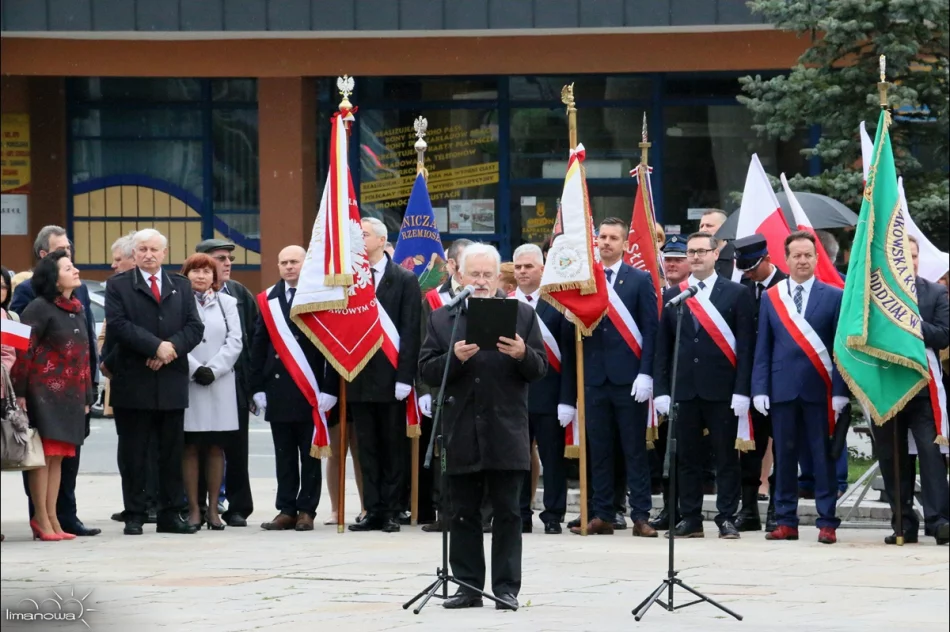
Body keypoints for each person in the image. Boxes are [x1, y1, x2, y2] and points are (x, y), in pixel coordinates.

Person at [419, 243, 547, 611]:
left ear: (497, 277)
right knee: (462, 512)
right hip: (460, 426)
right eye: (473, 274)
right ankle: (467, 586)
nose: (480, 281)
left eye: (487, 275)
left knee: (508, 512)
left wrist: (522, 354)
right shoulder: (444, 318)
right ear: (458, 274)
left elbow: (539, 370)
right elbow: (427, 370)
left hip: (506, 427)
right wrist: (453, 358)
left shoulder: (521, 314)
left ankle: (506, 588)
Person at [654, 232, 754, 539]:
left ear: (715, 254)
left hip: (722, 389)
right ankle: (691, 517)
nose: (696, 256)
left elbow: (747, 347)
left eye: (701, 251)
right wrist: (661, 390)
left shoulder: (736, 293)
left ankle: (726, 517)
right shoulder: (675, 294)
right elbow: (663, 348)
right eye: (691, 252)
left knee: (725, 457)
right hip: (684, 390)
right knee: (686, 458)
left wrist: (742, 390)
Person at [104, 228, 205, 536]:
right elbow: (119, 325)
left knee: (171, 452)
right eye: (142, 249)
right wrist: (153, 346)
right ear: (134, 254)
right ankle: (134, 513)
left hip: (171, 381)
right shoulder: (118, 285)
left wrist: (169, 349)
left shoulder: (180, 285)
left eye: (154, 249)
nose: (148, 254)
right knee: (135, 451)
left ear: (164, 253)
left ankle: (170, 513)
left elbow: (194, 326)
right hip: (133, 380)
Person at [752, 231, 849, 545]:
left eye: (808, 255)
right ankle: (785, 521)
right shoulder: (772, 297)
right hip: (781, 391)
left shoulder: (834, 295)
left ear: (817, 258)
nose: (803, 260)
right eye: (797, 255)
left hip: (820, 389)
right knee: (785, 458)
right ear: (787, 259)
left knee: (822, 458)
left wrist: (839, 392)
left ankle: (827, 521)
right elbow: (762, 347)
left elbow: (840, 350)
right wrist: (760, 388)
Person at [10, 225, 100, 538]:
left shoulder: (75, 308)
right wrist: (20, 393)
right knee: (43, 457)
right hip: (43, 395)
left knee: (59, 457)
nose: (75, 269)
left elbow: (85, 355)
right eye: (67, 267)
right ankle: (41, 519)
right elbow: (25, 353)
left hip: (71, 397)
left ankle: (55, 519)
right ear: (53, 276)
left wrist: (89, 394)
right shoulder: (39, 308)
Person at [571, 217, 658, 537]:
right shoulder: (586, 280)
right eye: (602, 237)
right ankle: (603, 513)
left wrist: (646, 373)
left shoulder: (639, 279)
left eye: (613, 238)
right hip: (594, 378)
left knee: (634, 450)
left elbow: (651, 330)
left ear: (624, 244)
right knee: (600, 449)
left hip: (630, 379)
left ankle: (641, 515)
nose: (606, 242)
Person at [250, 245, 339, 532]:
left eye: (294, 262)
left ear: (305, 264)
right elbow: (258, 346)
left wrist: (330, 387)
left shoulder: (319, 297)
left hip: (311, 390)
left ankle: (306, 510)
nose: (289, 267)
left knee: (310, 455)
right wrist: (257, 387)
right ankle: (286, 509)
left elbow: (331, 348)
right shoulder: (268, 300)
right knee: (284, 455)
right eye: (283, 262)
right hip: (278, 391)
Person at [871, 236, 949, 545]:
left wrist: (908, 321)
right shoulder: (877, 295)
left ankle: (939, 520)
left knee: (931, 456)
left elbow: (943, 336)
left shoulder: (936, 292)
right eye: (905, 256)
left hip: (923, 390)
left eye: (915, 256)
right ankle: (902, 521)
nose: (911, 261)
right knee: (893, 459)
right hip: (888, 387)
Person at [347, 218, 422, 533]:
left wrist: (406, 376)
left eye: (363, 234)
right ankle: (373, 509)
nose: (359, 239)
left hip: (392, 378)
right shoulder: (350, 278)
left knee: (393, 447)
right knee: (367, 447)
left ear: (380, 239)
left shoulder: (403, 279)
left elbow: (410, 330)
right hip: (360, 375)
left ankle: (393, 509)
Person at [511, 244, 575, 534]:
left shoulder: (558, 303)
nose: (523, 272)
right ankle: (521, 513)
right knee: (519, 460)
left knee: (552, 459)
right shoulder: (506, 301)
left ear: (542, 268)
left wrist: (567, 399)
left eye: (528, 267)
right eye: (518, 267)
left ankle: (553, 514)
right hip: (514, 395)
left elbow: (570, 355)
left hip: (550, 396)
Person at [194, 238, 258, 527]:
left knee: (235, 447)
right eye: (221, 258)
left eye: (229, 258)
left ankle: (238, 506)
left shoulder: (240, 294)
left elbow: (251, 340)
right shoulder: (187, 295)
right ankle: (198, 505)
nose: (228, 263)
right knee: (196, 446)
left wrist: (255, 386)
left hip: (234, 381)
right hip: (195, 380)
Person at [179, 254, 243, 531]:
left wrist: (214, 369)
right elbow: (175, 337)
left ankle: (214, 509)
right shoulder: (178, 301)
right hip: (189, 382)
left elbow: (235, 340)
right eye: (195, 271)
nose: (201, 276)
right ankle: (194, 509)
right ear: (186, 274)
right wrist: (195, 368)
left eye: (206, 271)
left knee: (216, 447)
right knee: (191, 447)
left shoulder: (227, 302)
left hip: (219, 382)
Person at [416, 238, 473, 532]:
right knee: (442, 451)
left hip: (476, 390)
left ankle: (480, 513)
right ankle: (444, 511)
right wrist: (423, 391)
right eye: (466, 264)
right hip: (441, 390)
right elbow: (423, 349)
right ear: (451, 265)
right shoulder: (434, 301)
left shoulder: (487, 297)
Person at [103, 234, 158, 524]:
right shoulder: (118, 289)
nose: (114, 265)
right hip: (120, 376)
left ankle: (148, 502)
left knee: (145, 448)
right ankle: (135, 503)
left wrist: (107, 361)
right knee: (130, 447)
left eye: (117, 259)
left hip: (140, 373)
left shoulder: (151, 289)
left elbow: (128, 332)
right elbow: (112, 332)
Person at [734, 234, 786, 533]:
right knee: (750, 447)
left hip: (780, 380)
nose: (749, 274)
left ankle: (778, 507)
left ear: (766, 259)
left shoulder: (785, 287)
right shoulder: (745, 288)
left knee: (782, 446)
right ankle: (749, 507)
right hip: (750, 379)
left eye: (752, 268)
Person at [699, 209, 734, 279]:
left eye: (709, 226)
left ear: (725, 227)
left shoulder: (736, 257)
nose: (703, 230)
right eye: (701, 226)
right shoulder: (695, 256)